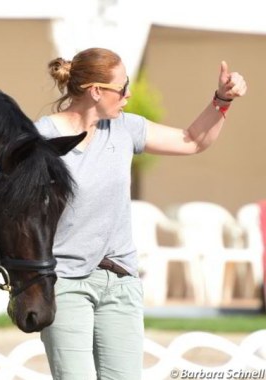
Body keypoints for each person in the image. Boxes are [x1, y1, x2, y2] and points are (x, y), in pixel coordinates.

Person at [34, 47, 247, 380]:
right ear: (95, 91)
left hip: (120, 282)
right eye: (122, 87)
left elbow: (191, 140)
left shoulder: (124, 128)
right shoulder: (41, 138)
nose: (128, 94)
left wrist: (222, 100)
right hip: (64, 283)